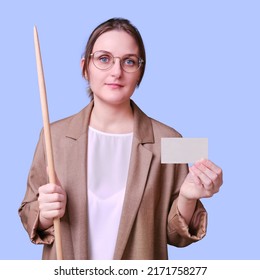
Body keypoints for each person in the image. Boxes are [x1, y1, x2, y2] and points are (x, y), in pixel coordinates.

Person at [18, 17, 223, 260]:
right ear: (85, 67)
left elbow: (175, 235)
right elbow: (28, 212)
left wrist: (189, 198)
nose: (116, 72)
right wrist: (43, 213)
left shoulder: (171, 140)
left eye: (129, 61)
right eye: (104, 59)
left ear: (140, 73)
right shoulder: (53, 135)